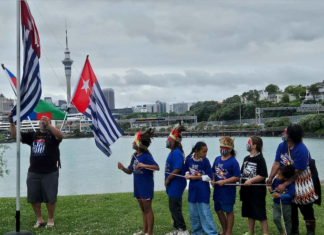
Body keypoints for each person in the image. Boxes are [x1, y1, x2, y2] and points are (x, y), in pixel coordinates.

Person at [9, 112, 63, 228]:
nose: (43, 121)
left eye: (46, 119)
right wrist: (11, 123)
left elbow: (60, 136)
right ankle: (39, 220)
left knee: (50, 198)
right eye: (41, 120)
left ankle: (50, 219)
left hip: (50, 172)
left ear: (49, 122)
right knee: (34, 197)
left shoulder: (52, 135)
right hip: (33, 171)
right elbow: (15, 136)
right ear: (38, 123)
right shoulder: (33, 135)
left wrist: (49, 125)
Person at [272, 124, 318, 235]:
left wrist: (284, 185)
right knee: (290, 206)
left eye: (285, 133)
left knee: (305, 205)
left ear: (291, 137)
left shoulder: (301, 149)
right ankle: (294, 231)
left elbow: (298, 171)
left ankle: (310, 231)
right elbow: (277, 163)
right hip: (287, 177)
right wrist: (270, 178)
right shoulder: (282, 146)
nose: (283, 134)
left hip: (303, 179)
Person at [117, 128, 159, 235]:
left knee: (148, 209)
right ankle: (144, 231)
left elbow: (157, 167)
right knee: (143, 210)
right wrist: (122, 168)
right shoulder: (135, 156)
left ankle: (149, 233)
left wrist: (144, 165)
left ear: (139, 144)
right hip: (138, 187)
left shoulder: (146, 156)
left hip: (146, 186)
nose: (133, 143)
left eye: (134, 141)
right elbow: (130, 171)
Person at [184, 141, 218, 235]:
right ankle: (197, 231)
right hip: (193, 190)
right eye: (203, 151)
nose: (205, 154)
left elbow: (209, 176)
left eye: (206, 151)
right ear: (196, 151)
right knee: (193, 213)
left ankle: (212, 232)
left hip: (203, 191)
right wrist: (187, 174)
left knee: (205, 213)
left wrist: (197, 177)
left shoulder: (205, 161)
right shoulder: (189, 159)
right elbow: (186, 169)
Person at [211, 137, 241, 235]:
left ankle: (228, 231)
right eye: (220, 147)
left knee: (228, 211)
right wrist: (213, 180)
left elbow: (237, 177)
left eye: (224, 147)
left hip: (228, 192)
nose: (221, 149)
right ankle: (224, 230)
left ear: (229, 149)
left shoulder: (233, 162)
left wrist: (224, 181)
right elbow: (213, 171)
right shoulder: (217, 159)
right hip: (218, 191)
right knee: (219, 210)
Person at [240, 136, 269, 235]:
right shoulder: (246, 158)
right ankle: (250, 231)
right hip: (246, 191)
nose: (247, 144)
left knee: (259, 211)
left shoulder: (260, 159)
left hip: (257, 191)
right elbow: (242, 173)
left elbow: (263, 175)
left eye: (249, 142)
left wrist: (251, 181)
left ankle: (266, 232)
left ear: (254, 146)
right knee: (249, 211)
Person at [165, 125, 189, 235]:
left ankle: (182, 229)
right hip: (173, 185)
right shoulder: (174, 152)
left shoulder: (176, 152)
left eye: (169, 139)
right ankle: (176, 228)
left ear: (174, 141)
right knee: (172, 207)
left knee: (175, 207)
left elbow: (178, 168)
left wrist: (168, 179)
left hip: (176, 184)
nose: (167, 141)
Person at [269, 165, 295, 235]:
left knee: (287, 220)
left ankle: (288, 233)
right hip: (276, 204)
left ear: (286, 178)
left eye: (280, 175)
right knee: (276, 218)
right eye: (277, 173)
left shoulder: (290, 184)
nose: (277, 176)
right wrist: (271, 190)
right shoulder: (275, 180)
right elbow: (273, 189)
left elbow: (291, 194)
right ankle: (282, 232)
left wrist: (281, 196)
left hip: (286, 205)